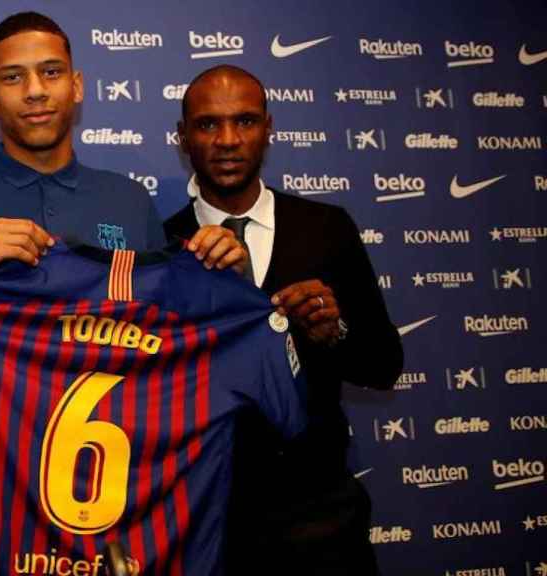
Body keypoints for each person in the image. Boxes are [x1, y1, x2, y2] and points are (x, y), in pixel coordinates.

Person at [163, 65, 403, 575]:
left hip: (322, 517)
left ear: (269, 128)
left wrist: (332, 332)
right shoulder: (162, 247)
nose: (228, 140)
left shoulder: (326, 227)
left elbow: (383, 366)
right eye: (207, 125)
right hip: (212, 520)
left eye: (245, 121)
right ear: (182, 137)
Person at [0, 11, 245, 269]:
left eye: (51, 72)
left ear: (76, 86)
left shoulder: (130, 201)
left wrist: (222, 271)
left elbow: (166, 323)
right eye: (13, 77)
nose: (35, 91)